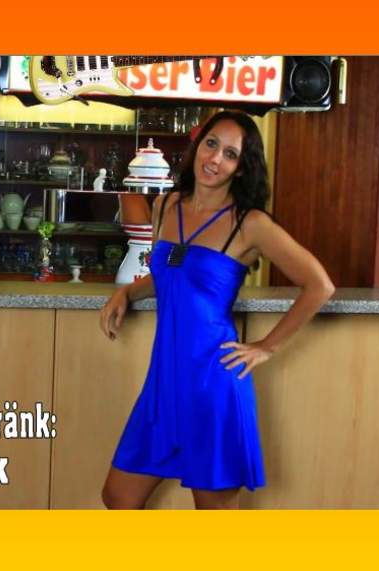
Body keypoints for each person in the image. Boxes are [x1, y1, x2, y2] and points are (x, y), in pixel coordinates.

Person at [99, 110, 335, 510]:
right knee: (118, 497)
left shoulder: (250, 224)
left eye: (230, 154)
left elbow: (320, 286)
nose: (215, 159)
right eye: (211, 144)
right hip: (164, 381)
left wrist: (267, 346)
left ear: (241, 168)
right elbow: (174, 277)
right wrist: (128, 293)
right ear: (197, 146)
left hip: (213, 382)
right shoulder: (166, 205)